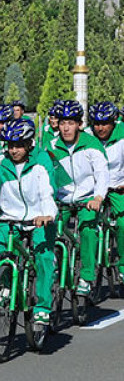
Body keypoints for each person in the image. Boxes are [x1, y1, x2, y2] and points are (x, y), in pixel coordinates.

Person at [0, 119, 58, 326]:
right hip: (9, 218)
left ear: (29, 144)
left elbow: (47, 192)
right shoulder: (0, 162)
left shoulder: (42, 160)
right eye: (10, 145)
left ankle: (43, 307)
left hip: (38, 219)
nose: (14, 150)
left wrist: (47, 215)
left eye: (19, 146)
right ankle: (8, 285)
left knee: (44, 258)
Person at [46, 100, 108, 297]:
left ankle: (86, 277)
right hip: (61, 199)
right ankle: (53, 265)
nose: (66, 128)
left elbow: (102, 174)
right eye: (62, 123)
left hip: (87, 199)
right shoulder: (50, 146)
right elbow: (43, 174)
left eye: (71, 123)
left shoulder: (92, 144)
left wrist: (98, 197)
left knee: (88, 230)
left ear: (79, 125)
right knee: (48, 229)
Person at [88, 101, 124, 283]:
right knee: (87, 223)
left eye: (105, 124)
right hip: (94, 189)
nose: (100, 128)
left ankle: (123, 265)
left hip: (118, 186)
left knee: (123, 224)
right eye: (96, 124)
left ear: (113, 121)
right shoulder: (86, 137)